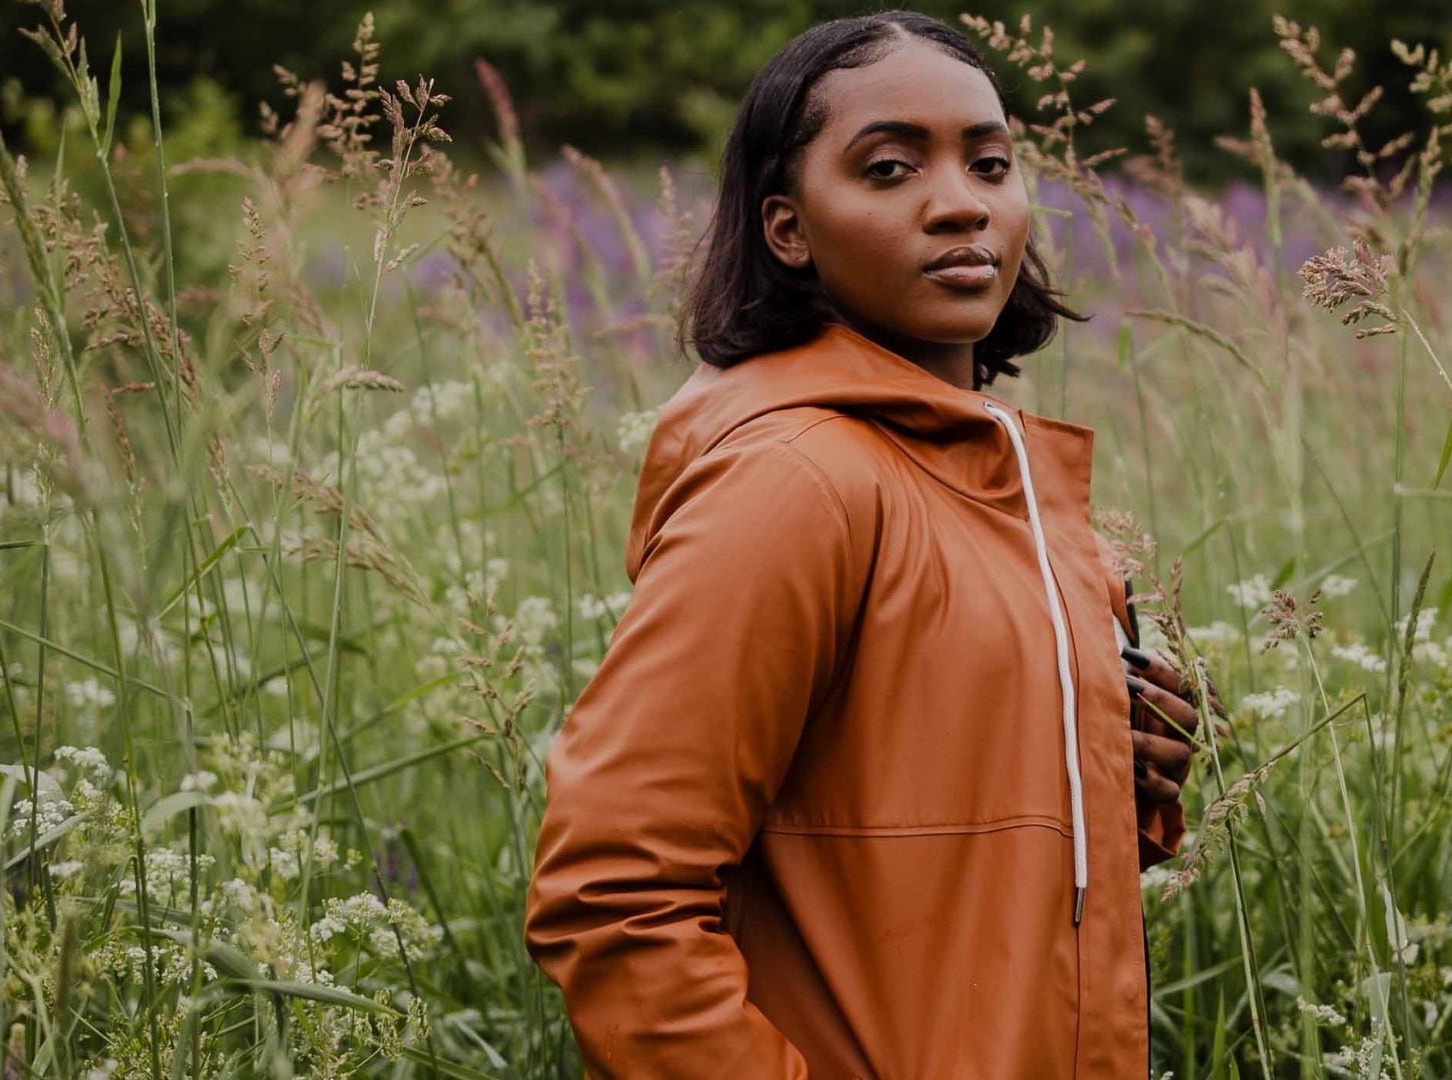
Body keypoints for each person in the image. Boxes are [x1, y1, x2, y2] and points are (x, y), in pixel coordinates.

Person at [524, 11, 1222, 1077]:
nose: (961, 202)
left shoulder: (1006, 485)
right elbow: (613, 895)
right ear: (788, 228)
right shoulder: (795, 480)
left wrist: (1111, 775)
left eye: (990, 164)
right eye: (891, 169)